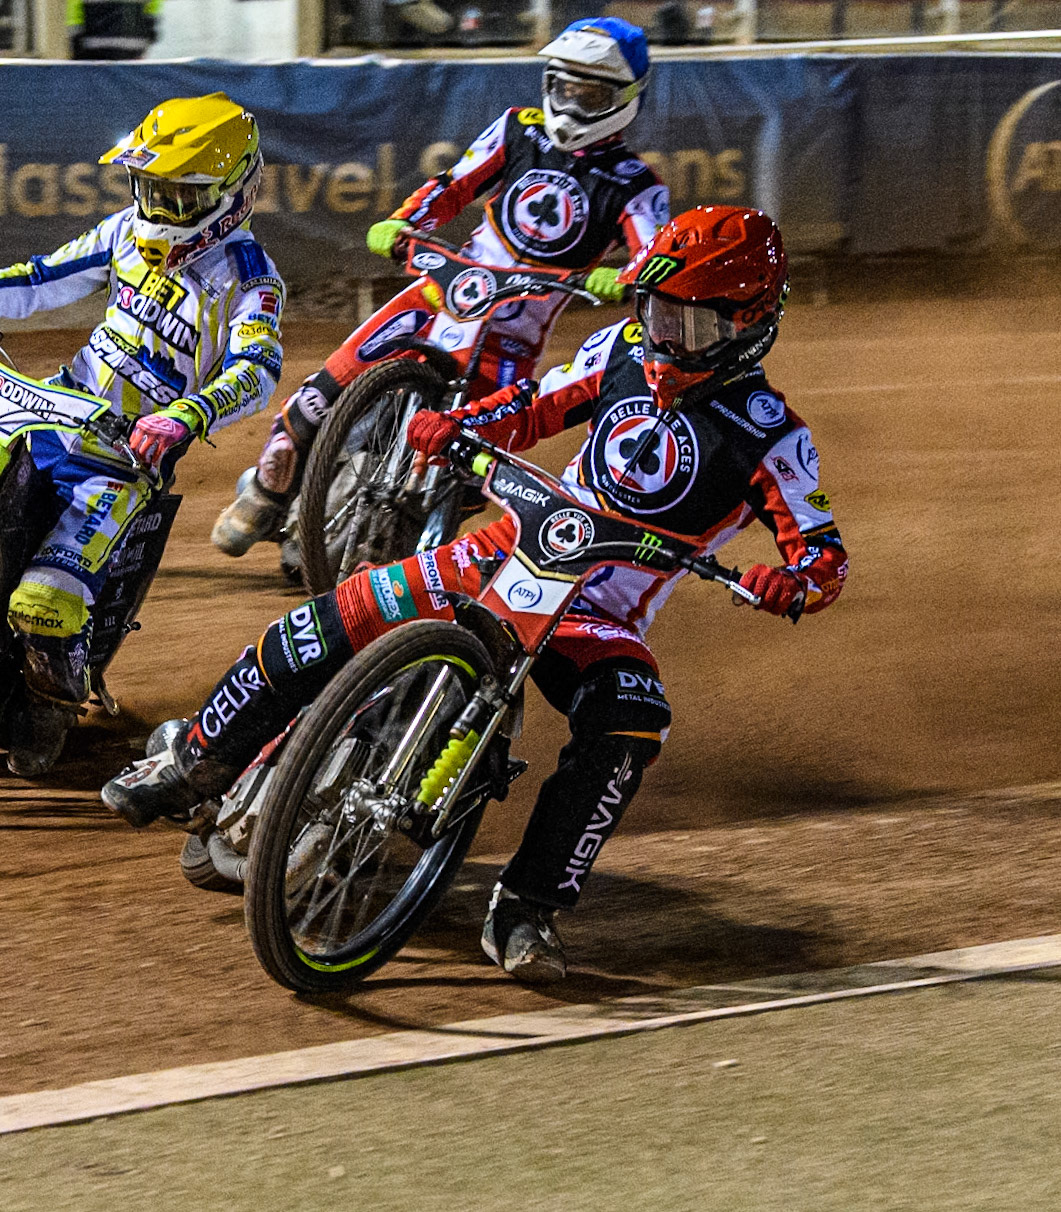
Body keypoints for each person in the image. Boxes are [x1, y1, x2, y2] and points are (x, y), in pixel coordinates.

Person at [106, 206, 849, 984]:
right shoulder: (622, 348)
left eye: (690, 327)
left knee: (632, 720)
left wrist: (789, 585)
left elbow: (822, 556)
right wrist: (457, 422)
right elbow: (533, 405)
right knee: (325, 620)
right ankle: (191, 762)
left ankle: (526, 907)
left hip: (597, 616)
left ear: (749, 326)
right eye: (657, 314)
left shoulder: (772, 434)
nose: (666, 339)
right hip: (506, 545)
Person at [0, 93, 284, 776]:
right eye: (149, 189)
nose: (157, 208)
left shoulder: (247, 280)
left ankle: (48, 708)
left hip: (123, 461)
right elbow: (46, 279)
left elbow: (257, 371)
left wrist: (188, 416)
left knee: (46, 605)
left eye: (177, 195)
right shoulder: (123, 233)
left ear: (227, 196)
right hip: (47, 413)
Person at [211, 15, 670, 566]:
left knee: (474, 462)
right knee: (321, 394)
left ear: (623, 99)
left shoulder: (636, 184)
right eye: (564, 87)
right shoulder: (516, 130)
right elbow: (453, 186)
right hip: (445, 293)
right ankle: (265, 492)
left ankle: (406, 540)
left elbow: (655, 258)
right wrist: (404, 222)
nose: (572, 104)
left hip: (514, 335)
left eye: (590, 93)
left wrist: (627, 280)